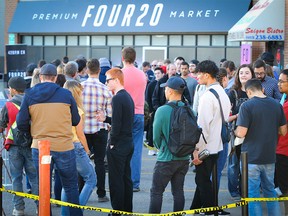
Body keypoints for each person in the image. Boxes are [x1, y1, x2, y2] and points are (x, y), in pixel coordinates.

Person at [16, 64, 82, 215]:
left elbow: (21, 123)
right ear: (56, 77)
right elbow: (76, 120)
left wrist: (33, 132)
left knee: (43, 187)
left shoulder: (30, 94)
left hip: (40, 147)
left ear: (40, 77)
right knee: (71, 186)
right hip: (64, 146)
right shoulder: (66, 95)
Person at [235, 78, 287, 216]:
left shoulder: (247, 106)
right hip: (270, 155)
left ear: (249, 91)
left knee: (252, 194)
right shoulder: (277, 105)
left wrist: (235, 130)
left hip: (250, 157)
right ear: (262, 89)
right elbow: (283, 131)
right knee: (270, 190)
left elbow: (241, 133)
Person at [191, 60, 231, 215]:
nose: (197, 77)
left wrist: (197, 150)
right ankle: (194, 209)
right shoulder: (222, 92)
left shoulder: (207, 96)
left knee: (201, 180)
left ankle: (210, 211)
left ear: (207, 75)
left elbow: (203, 127)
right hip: (217, 144)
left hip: (206, 146)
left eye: (199, 74)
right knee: (203, 178)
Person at [149, 76, 189, 213]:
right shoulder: (190, 110)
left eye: (166, 88)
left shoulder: (162, 110)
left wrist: (162, 147)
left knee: (156, 191)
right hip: (184, 158)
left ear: (171, 91)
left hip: (166, 158)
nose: (164, 90)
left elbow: (155, 138)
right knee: (178, 191)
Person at [97, 68, 135, 215]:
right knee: (125, 178)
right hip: (127, 142)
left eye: (107, 80)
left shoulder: (118, 98)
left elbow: (118, 126)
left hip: (118, 145)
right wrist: (106, 119)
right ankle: (126, 210)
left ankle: (117, 211)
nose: (106, 83)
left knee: (116, 180)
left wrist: (111, 143)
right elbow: (122, 121)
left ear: (116, 80)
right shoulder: (126, 96)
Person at [0, 76, 38, 216]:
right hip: (31, 144)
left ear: (14, 90)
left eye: (10, 87)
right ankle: (40, 206)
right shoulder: (32, 103)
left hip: (14, 146)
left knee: (16, 178)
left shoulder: (8, 105)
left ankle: (18, 208)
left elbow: (1, 125)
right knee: (34, 177)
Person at [62, 80, 96, 215]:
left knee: (68, 183)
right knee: (91, 179)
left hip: (63, 146)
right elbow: (80, 134)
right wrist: (87, 151)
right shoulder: (77, 110)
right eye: (81, 91)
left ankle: (66, 213)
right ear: (77, 93)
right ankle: (77, 211)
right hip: (76, 146)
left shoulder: (62, 108)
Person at [82, 58, 112, 202]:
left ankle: (82, 192)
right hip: (100, 129)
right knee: (99, 162)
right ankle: (101, 193)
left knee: (82, 161)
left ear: (87, 70)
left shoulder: (80, 87)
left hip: (82, 130)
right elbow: (110, 114)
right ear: (99, 70)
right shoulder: (105, 89)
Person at [227, 64, 255, 201]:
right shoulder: (232, 93)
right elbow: (226, 117)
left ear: (252, 75)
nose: (243, 75)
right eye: (241, 73)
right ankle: (234, 190)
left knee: (248, 163)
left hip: (253, 133)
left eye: (247, 73)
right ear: (237, 75)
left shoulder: (256, 92)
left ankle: (246, 189)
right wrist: (240, 115)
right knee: (234, 163)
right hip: (235, 132)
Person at [121, 47, 147, 192]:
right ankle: (134, 182)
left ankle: (123, 180)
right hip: (138, 113)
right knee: (137, 149)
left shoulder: (119, 74)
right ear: (135, 57)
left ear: (122, 57)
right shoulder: (142, 75)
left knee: (121, 149)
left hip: (124, 114)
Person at [275, 69, 288, 215]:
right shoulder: (284, 99)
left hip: (283, 150)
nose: (279, 84)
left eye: (282, 81)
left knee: (285, 188)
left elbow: (281, 130)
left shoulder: (285, 105)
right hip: (282, 150)